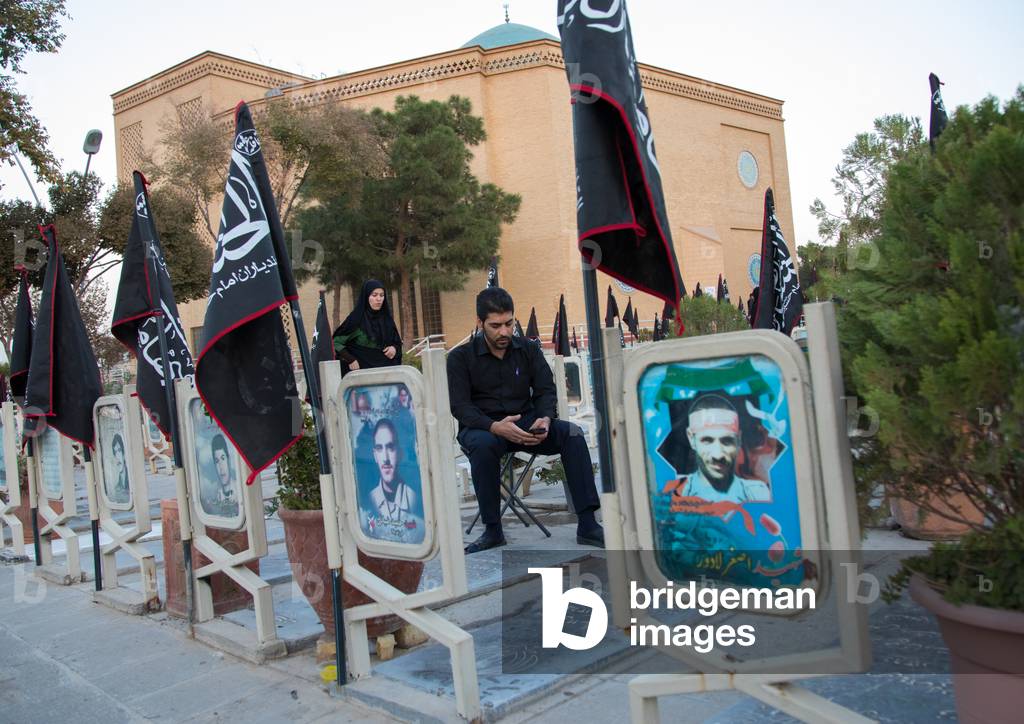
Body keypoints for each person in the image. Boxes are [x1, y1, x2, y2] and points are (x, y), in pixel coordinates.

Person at [447, 287, 603, 553]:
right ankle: (493, 530)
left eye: (508, 323)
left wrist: (544, 418)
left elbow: (545, 390)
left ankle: (588, 525)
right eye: (495, 326)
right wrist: (496, 426)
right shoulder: (460, 358)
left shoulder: (528, 350)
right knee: (483, 447)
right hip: (484, 428)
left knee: (573, 434)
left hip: (528, 425)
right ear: (480, 323)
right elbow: (461, 407)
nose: (504, 332)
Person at [673, 394, 771, 504]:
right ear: (691, 438)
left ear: (738, 440)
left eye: (727, 441)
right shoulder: (678, 491)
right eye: (707, 440)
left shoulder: (757, 493)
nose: (718, 454)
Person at [362, 418, 423, 543]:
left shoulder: (415, 499)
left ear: (400, 452)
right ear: (375, 455)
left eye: (390, 447)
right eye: (379, 448)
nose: (385, 459)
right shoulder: (369, 501)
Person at [333, 280, 403, 375]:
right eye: (374, 295)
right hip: (363, 378)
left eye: (381, 295)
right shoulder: (356, 319)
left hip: (387, 376)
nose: (379, 299)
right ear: (366, 297)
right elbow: (335, 342)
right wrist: (350, 359)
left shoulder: (387, 319)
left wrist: (394, 348)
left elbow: (397, 342)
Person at [202, 434, 239, 517]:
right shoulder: (214, 495)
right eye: (217, 461)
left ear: (228, 459)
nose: (221, 467)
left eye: (223, 458)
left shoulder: (239, 488)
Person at [109, 433, 129, 503]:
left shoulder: (130, 479)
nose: (117, 456)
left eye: (119, 450)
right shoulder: (117, 486)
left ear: (124, 454)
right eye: (115, 452)